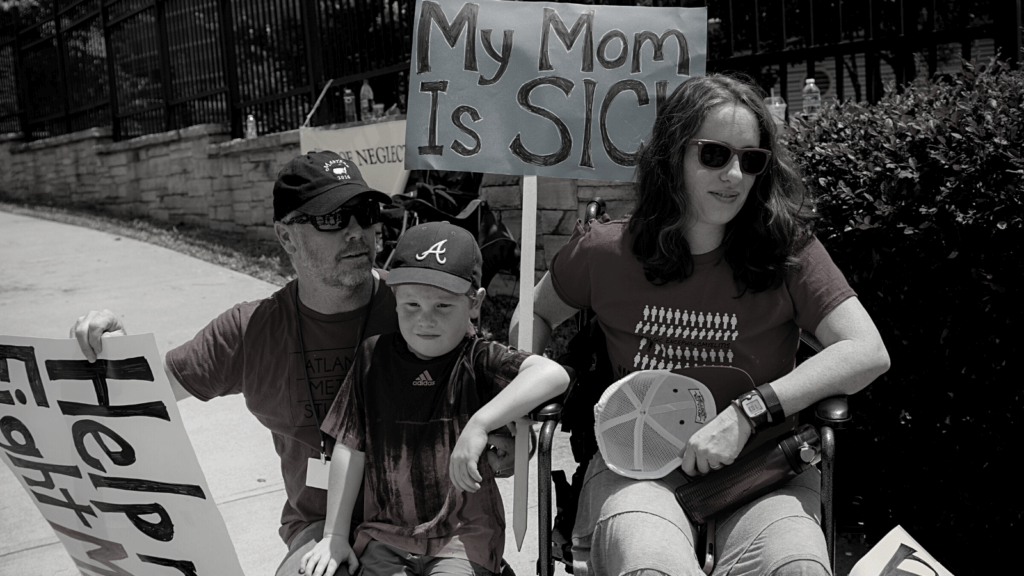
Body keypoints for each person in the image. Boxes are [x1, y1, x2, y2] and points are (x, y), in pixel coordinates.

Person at [509, 74, 890, 576]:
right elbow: (532, 313)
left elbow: (866, 350)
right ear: (673, 154)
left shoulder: (787, 252)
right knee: (651, 564)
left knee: (797, 565)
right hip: (636, 469)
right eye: (714, 154)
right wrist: (519, 389)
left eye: (751, 160)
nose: (734, 175)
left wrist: (749, 412)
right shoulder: (605, 251)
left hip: (761, 470)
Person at [70, 151, 515, 575]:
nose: (356, 231)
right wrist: (114, 345)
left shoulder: (420, 306)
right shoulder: (251, 330)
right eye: (331, 219)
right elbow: (144, 391)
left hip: (432, 529)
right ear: (286, 237)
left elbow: (491, 406)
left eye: (365, 213)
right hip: (320, 532)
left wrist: (505, 444)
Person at [299, 222, 570, 576]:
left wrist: (480, 424)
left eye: (443, 304)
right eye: (411, 303)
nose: (425, 319)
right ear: (394, 299)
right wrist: (334, 535)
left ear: (475, 303)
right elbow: (350, 447)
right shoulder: (373, 358)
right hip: (387, 535)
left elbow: (553, 375)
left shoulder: (479, 360)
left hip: (464, 536)